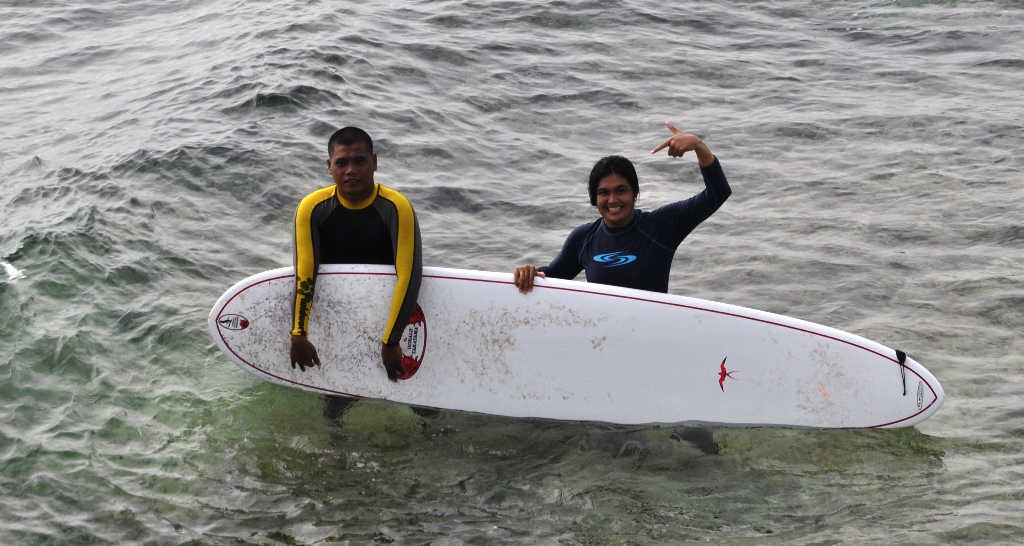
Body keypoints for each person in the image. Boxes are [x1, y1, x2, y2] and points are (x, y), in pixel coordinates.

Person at [513, 122, 730, 294]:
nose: (612, 200)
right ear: (594, 199)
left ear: (635, 193)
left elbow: (718, 193)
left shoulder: (661, 226)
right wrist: (529, 273)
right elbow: (553, 277)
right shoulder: (583, 238)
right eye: (603, 193)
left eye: (621, 190)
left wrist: (698, 146)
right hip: (604, 335)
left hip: (651, 333)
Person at [289, 127, 423, 382]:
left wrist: (391, 341)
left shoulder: (396, 207)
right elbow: (305, 274)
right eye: (342, 162)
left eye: (360, 161)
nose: (351, 170)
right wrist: (299, 334)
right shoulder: (312, 208)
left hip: (388, 313)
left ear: (374, 162)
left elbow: (409, 276)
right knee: (337, 401)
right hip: (338, 316)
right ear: (329, 166)